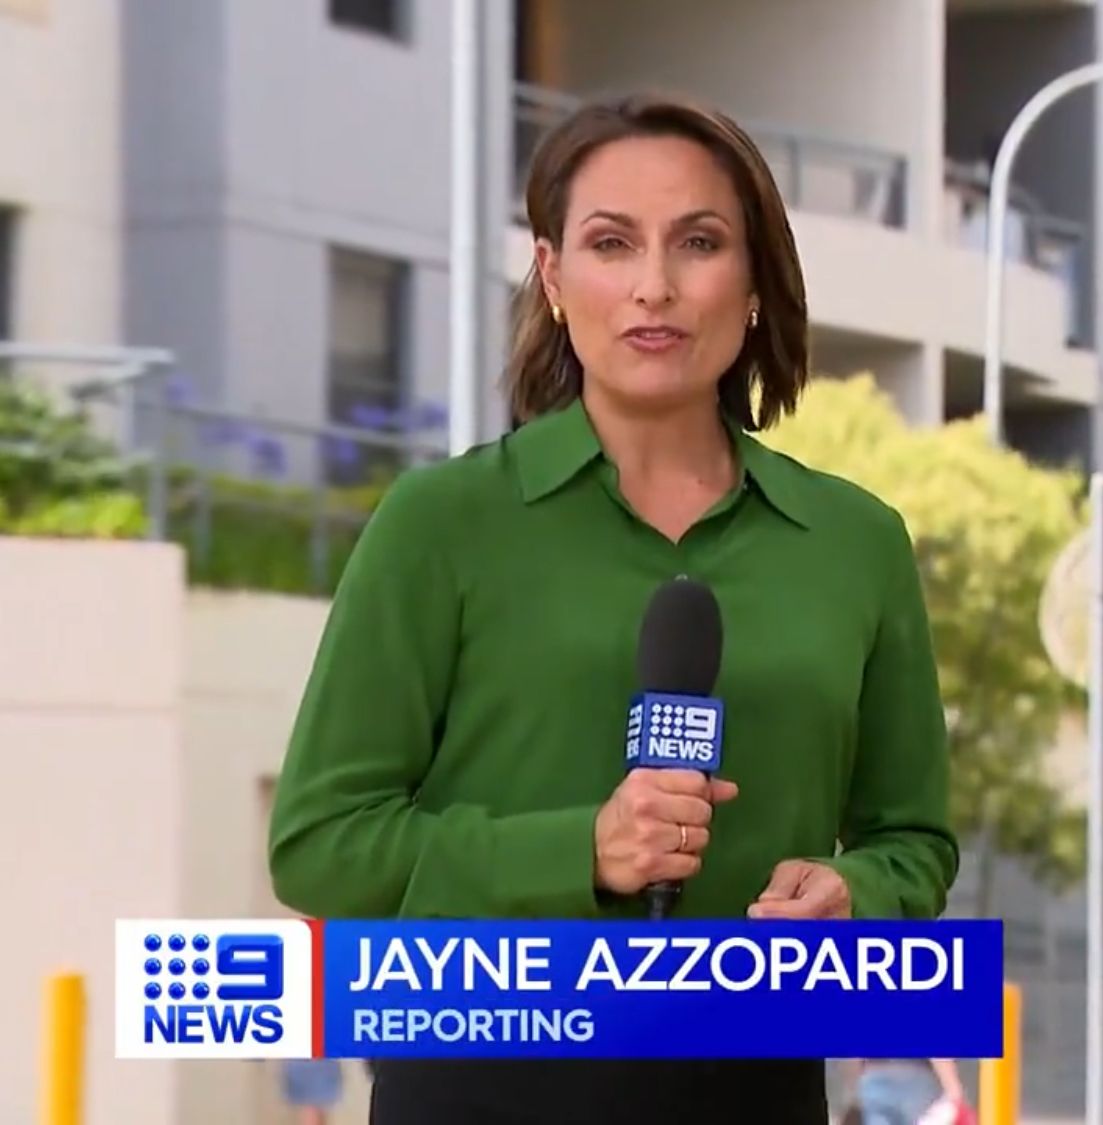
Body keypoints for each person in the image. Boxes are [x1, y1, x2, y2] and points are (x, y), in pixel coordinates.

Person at [265, 91, 959, 1124]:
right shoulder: (442, 522)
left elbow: (914, 840)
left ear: (756, 280)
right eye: (611, 243)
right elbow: (321, 844)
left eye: (699, 242)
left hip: (751, 1089)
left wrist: (857, 893)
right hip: (476, 1092)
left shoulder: (855, 544)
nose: (654, 286)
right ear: (552, 278)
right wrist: (581, 850)